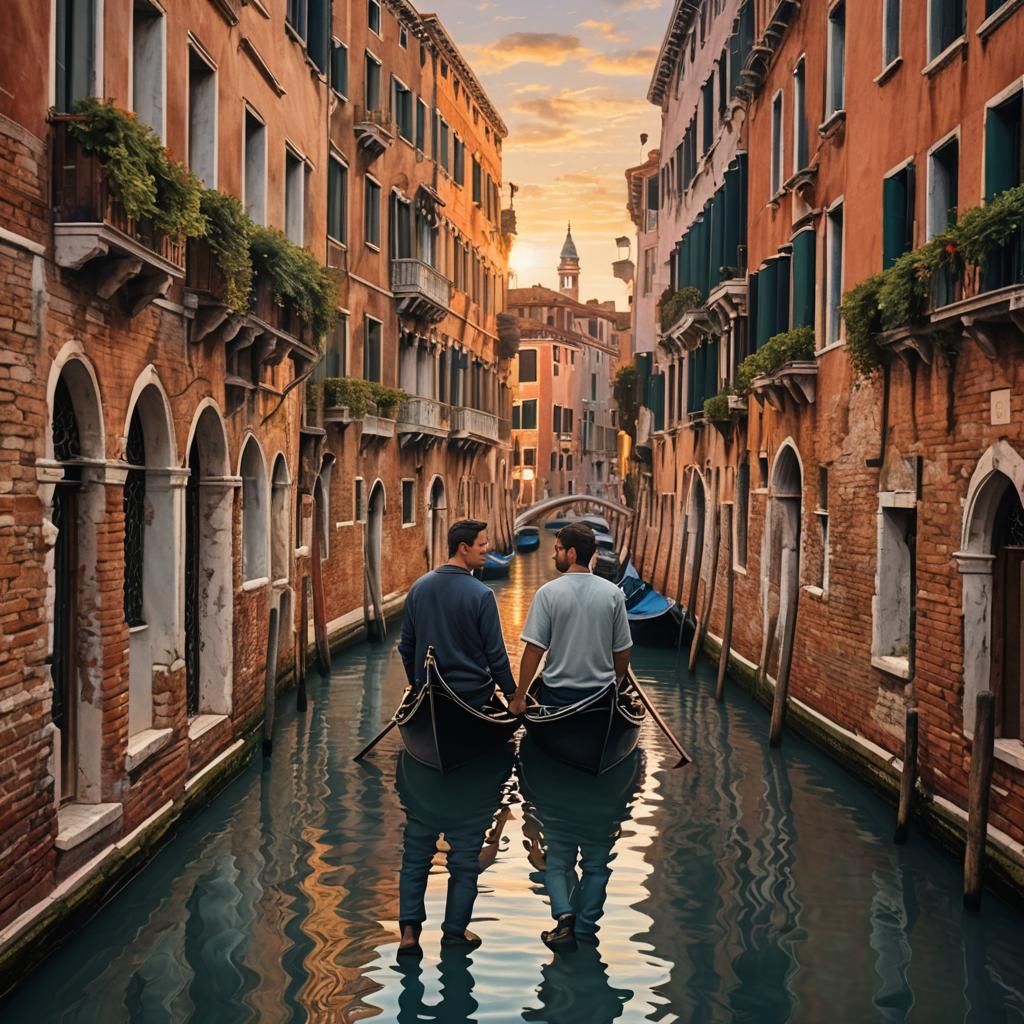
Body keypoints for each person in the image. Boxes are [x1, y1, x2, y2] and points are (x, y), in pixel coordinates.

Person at [509, 522, 632, 712]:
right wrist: (615, 683)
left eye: (558, 549)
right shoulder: (613, 594)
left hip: (557, 696)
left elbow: (534, 650)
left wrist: (519, 697)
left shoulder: (547, 593)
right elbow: (622, 654)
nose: (553, 555)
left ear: (572, 553)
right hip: (600, 697)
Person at [398, 518, 516, 710]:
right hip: (472, 695)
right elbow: (496, 655)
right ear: (463, 548)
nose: (486, 549)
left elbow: (406, 648)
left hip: (428, 693)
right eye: (481, 544)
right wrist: (512, 695)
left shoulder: (418, 588)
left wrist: (415, 686)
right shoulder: (483, 595)